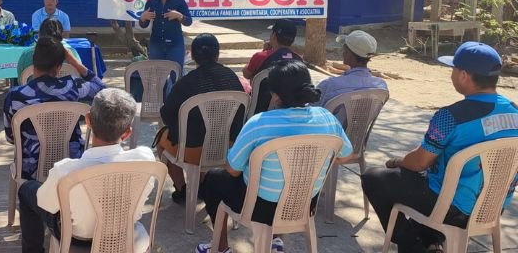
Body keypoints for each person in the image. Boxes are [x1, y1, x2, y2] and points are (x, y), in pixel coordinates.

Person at [361, 41, 518, 253]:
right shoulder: (514, 112)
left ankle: (413, 248)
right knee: (426, 187)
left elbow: (419, 163)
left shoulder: (450, 117)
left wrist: (397, 162)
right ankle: (431, 242)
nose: (451, 75)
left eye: (453, 69)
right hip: (493, 207)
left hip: (453, 208)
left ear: (464, 74)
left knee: (374, 177)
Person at [197, 60, 353, 253]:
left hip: (261, 209)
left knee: (213, 178)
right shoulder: (326, 118)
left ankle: (220, 248)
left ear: (274, 94)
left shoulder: (259, 123)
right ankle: (275, 242)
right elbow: (345, 155)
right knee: (283, 180)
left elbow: (232, 169)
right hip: (304, 205)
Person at [18, 88, 155, 253]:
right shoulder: (145, 159)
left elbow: (46, 204)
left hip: (78, 239)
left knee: (26, 190)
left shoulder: (66, 170)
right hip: (123, 234)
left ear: (88, 121)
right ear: (126, 133)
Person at [155, 34, 246, 204]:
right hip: (230, 147)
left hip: (195, 151)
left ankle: (181, 188)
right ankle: (202, 185)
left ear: (193, 56)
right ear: (217, 54)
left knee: (162, 139)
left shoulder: (187, 82)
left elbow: (166, 113)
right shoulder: (231, 77)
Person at [4, 36, 105, 180]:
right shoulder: (74, 87)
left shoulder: (15, 96)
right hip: (72, 165)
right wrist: (75, 63)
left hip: (32, 170)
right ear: (59, 67)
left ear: (34, 61)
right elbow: (102, 89)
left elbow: (11, 138)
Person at [242, 19, 302, 114]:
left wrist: (264, 51)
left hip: (260, 111)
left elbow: (246, 73)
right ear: (293, 39)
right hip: (290, 112)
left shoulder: (261, 56)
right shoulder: (298, 60)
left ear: (273, 36)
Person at [316, 30, 388, 107]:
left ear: (349, 56)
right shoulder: (381, 86)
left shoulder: (329, 85)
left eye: (344, 51)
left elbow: (312, 109)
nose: (343, 53)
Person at [139, 0, 193, 71]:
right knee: (157, 77)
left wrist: (179, 16)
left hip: (175, 45)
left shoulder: (179, 1)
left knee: (176, 75)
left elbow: (189, 21)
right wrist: (143, 18)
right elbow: (144, 25)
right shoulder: (151, 2)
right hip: (156, 45)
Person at [16, 18, 81, 81]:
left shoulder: (26, 54)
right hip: (67, 91)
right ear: (61, 35)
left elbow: (21, 79)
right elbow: (79, 75)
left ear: (39, 34)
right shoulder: (72, 53)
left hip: (33, 91)